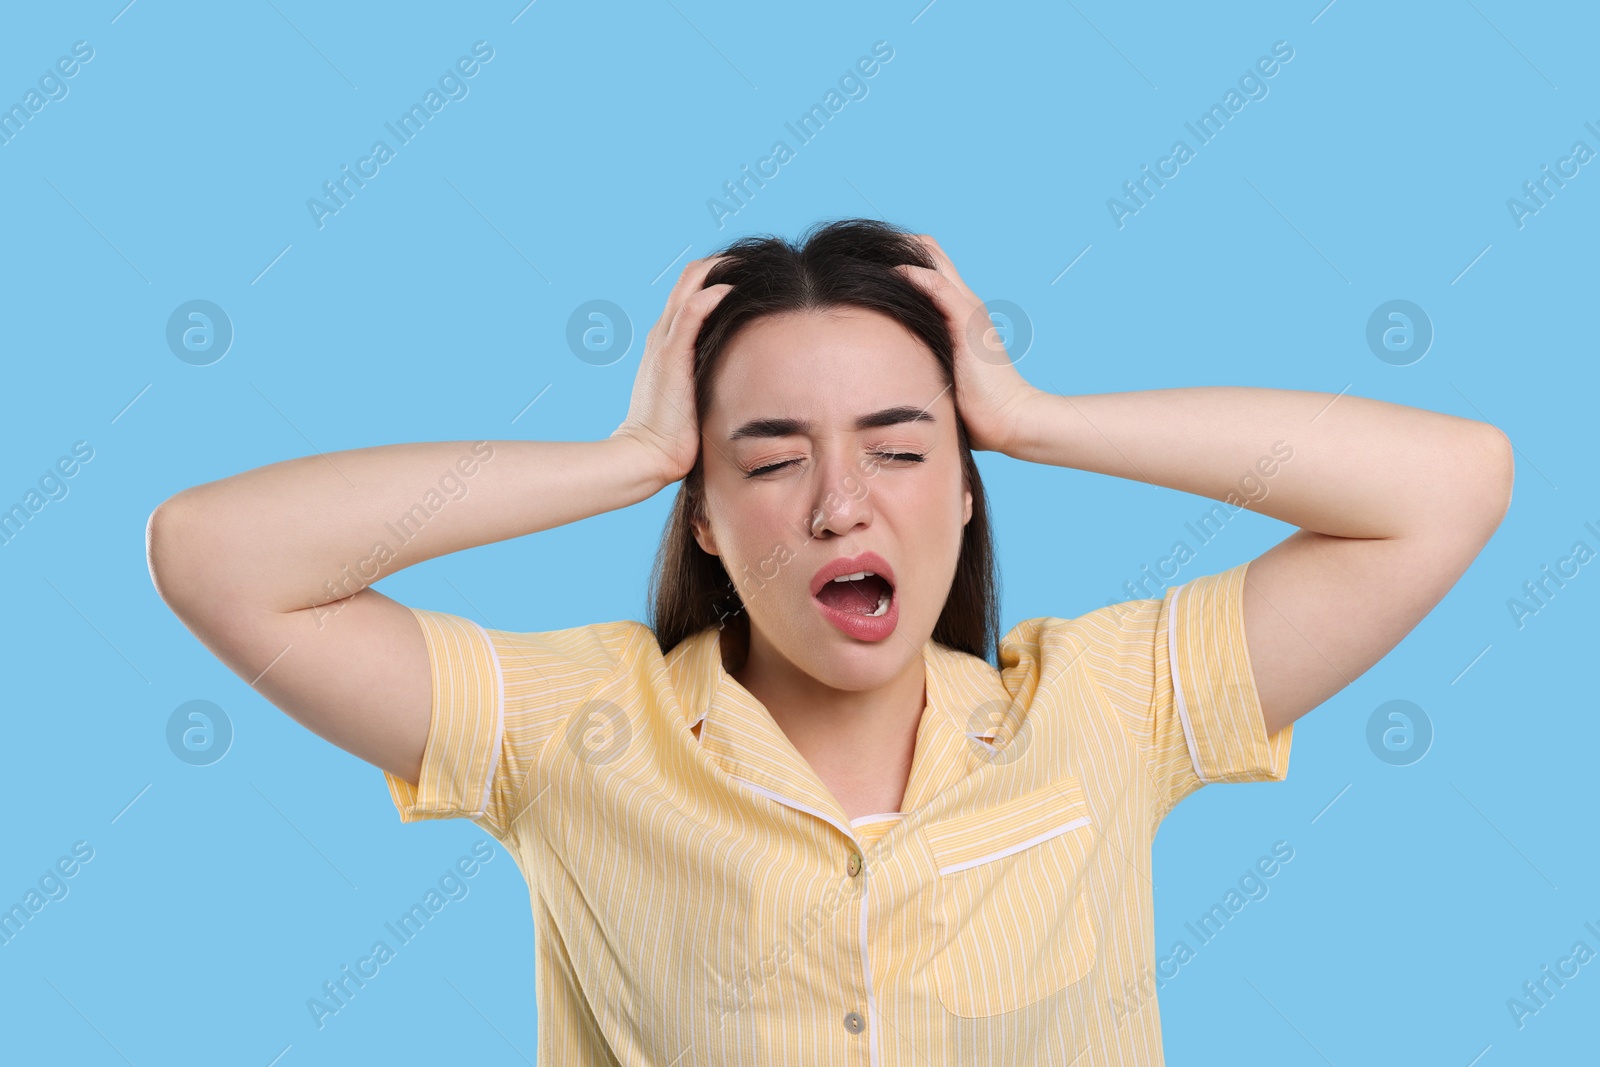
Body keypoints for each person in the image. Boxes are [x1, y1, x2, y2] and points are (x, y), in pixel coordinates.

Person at [146, 218, 1513, 1063]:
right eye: (771, 458)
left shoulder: (1101, 708)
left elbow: (1447, 487)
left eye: (902, 448)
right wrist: (625, 456)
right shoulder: (576, 731)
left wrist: (1039, 421)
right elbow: (218, 557)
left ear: (966, 492)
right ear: (706, 521)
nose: (842, 502)